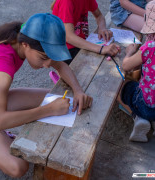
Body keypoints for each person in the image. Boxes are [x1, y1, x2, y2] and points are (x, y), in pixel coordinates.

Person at [0, 13, 93, 178]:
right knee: (18, 166)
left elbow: (60, 65)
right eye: (44, 58)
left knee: (56, 96)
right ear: (25, 45)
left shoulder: (23, 37)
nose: (48, 65)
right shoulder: (3, 65)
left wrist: (78, 90)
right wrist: (48, 110)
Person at [49, 0, 120, 84]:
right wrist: (101, 49)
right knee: (89, 78)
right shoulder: (66, 2)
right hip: (64, 49)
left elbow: (99, 16)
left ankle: (63, 76)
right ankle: (62, 77)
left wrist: (102, 28)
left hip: (78, 44)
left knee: (101, 63)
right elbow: (69, 37)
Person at [121, 1, 155, 142]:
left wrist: (130, 51)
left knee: (122, 86)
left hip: (146, 105)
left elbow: (126, 65)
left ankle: (139, 118)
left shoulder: (150, 47)